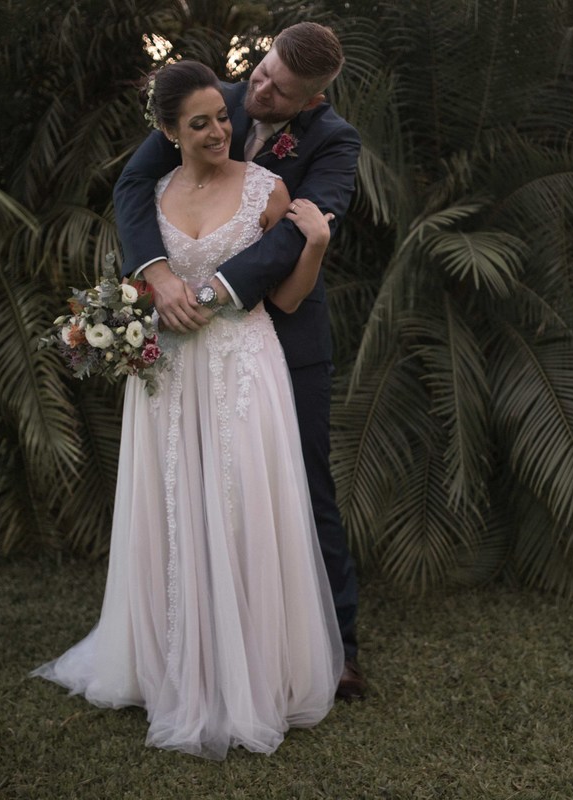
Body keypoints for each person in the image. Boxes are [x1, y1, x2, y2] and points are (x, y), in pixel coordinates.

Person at [33, 60, 343, 759]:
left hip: (242, 367)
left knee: (238, 507)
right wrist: (130, 309)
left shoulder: (267, 187)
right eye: (199, 123)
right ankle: (171, 665)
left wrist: (316, 245)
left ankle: (252, 673)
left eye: (221, 119)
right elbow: (142, 280)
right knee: (173, 504)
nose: (217, 130)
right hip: (170, 375)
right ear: (169, 132)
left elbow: (287, 299)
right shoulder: (154, 192)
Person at [113, 22, 365, 700]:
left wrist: (213, 291)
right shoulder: (206, 101)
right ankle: (204, 634)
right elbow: (133, 186)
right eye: (260, 71)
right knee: (194, 482)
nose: (257, 90)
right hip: (186, 336)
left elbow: (298, 231)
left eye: (278, 90)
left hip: (282, 327)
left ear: (311, 98)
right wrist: (157, 274)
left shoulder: (335, 142)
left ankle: (330, 647)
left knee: (304, 487)